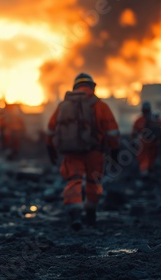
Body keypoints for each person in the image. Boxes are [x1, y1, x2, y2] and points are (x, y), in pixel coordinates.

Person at [46, 73, 120, 230]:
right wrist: (115, 152)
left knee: (74, 181)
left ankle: (75, 215)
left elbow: (51, 129)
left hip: (71, 152)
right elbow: (112, 131)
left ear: (75, 87)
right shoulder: (100, 105)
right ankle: (91, 214)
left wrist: (50, 148)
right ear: (92, 86)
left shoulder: (63, 106)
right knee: (93, 182)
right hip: (95, 152)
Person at [131, 101, 161, 178]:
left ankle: (145, 173)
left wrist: (133, 141)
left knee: (145, 158)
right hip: (153, 142)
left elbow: (134, 133)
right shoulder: (156, 119)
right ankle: (150, 172)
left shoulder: (139, 120)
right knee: (151, 157)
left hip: (145, 143)